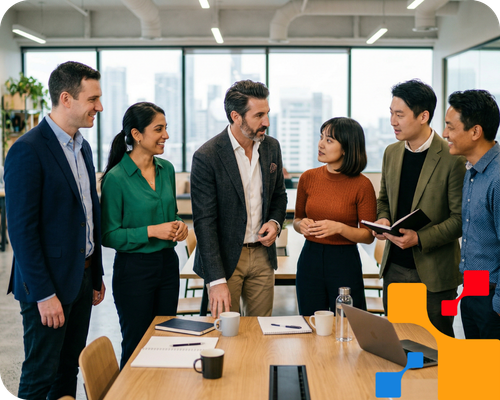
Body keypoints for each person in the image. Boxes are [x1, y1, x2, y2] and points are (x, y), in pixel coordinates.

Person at [4, 61, 105, 400]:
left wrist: (96, 274)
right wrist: (44, 295)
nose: (99, 107)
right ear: (66, 98)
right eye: (93, 99)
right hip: (47, 286)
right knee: (40, 374)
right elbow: (22, 232)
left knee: (68, 369)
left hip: (82, 278)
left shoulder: (83, 147)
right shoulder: (27, 150)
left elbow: (88, 215)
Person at [373, 79, 466, 337]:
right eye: (391, 113)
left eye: (400, 115)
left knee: (437, 346)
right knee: (398, 344)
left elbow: (460, 219)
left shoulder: (452, 157)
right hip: (394, 269)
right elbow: (384, 200)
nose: (392, 121)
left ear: (423, 116)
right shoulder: (391, 152)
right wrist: (382, 219)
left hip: (435, 275)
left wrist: (419, 238)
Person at [100, 102, 188, 368]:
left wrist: (180, 226)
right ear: (137, 135)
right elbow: (109, 235)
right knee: (137, 344)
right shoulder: (115, 179)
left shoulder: (167, 170)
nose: (166, 136)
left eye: (166, 128)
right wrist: (153, 231)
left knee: (164, 340)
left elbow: (172, 215)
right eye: (158, 129)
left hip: (168, 266)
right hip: (134, 272)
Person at [191, 80, 287, 318]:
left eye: (267, 114)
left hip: (263, 256)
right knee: (227, 334)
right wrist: (216, 280)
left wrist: (275, 223)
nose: (266, 122)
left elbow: (279, 196)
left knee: (261, 332)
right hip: (225, 260)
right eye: (259, 115)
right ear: (236, 116)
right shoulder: (207, 156)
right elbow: (205, 222)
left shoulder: (271, 147)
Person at [293, 117, 376, 315]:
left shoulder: (362, 185)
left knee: (349, 324)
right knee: (311, 324)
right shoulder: (308, 178)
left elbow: (368, 235)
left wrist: (339, 228)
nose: (321, 144)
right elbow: (297, 219)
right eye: (321, 137)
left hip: (344, 262)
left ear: (346, 147)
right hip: (309, 259)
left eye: (329, 140)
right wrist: (300, 225)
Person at [443, 89, 500, 339]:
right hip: (473, 288)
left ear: (475, 132)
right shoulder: (472, 170)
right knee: (476, 372)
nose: (445, 134)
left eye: (450, 127)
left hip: (493, 295)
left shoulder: (497, 178)